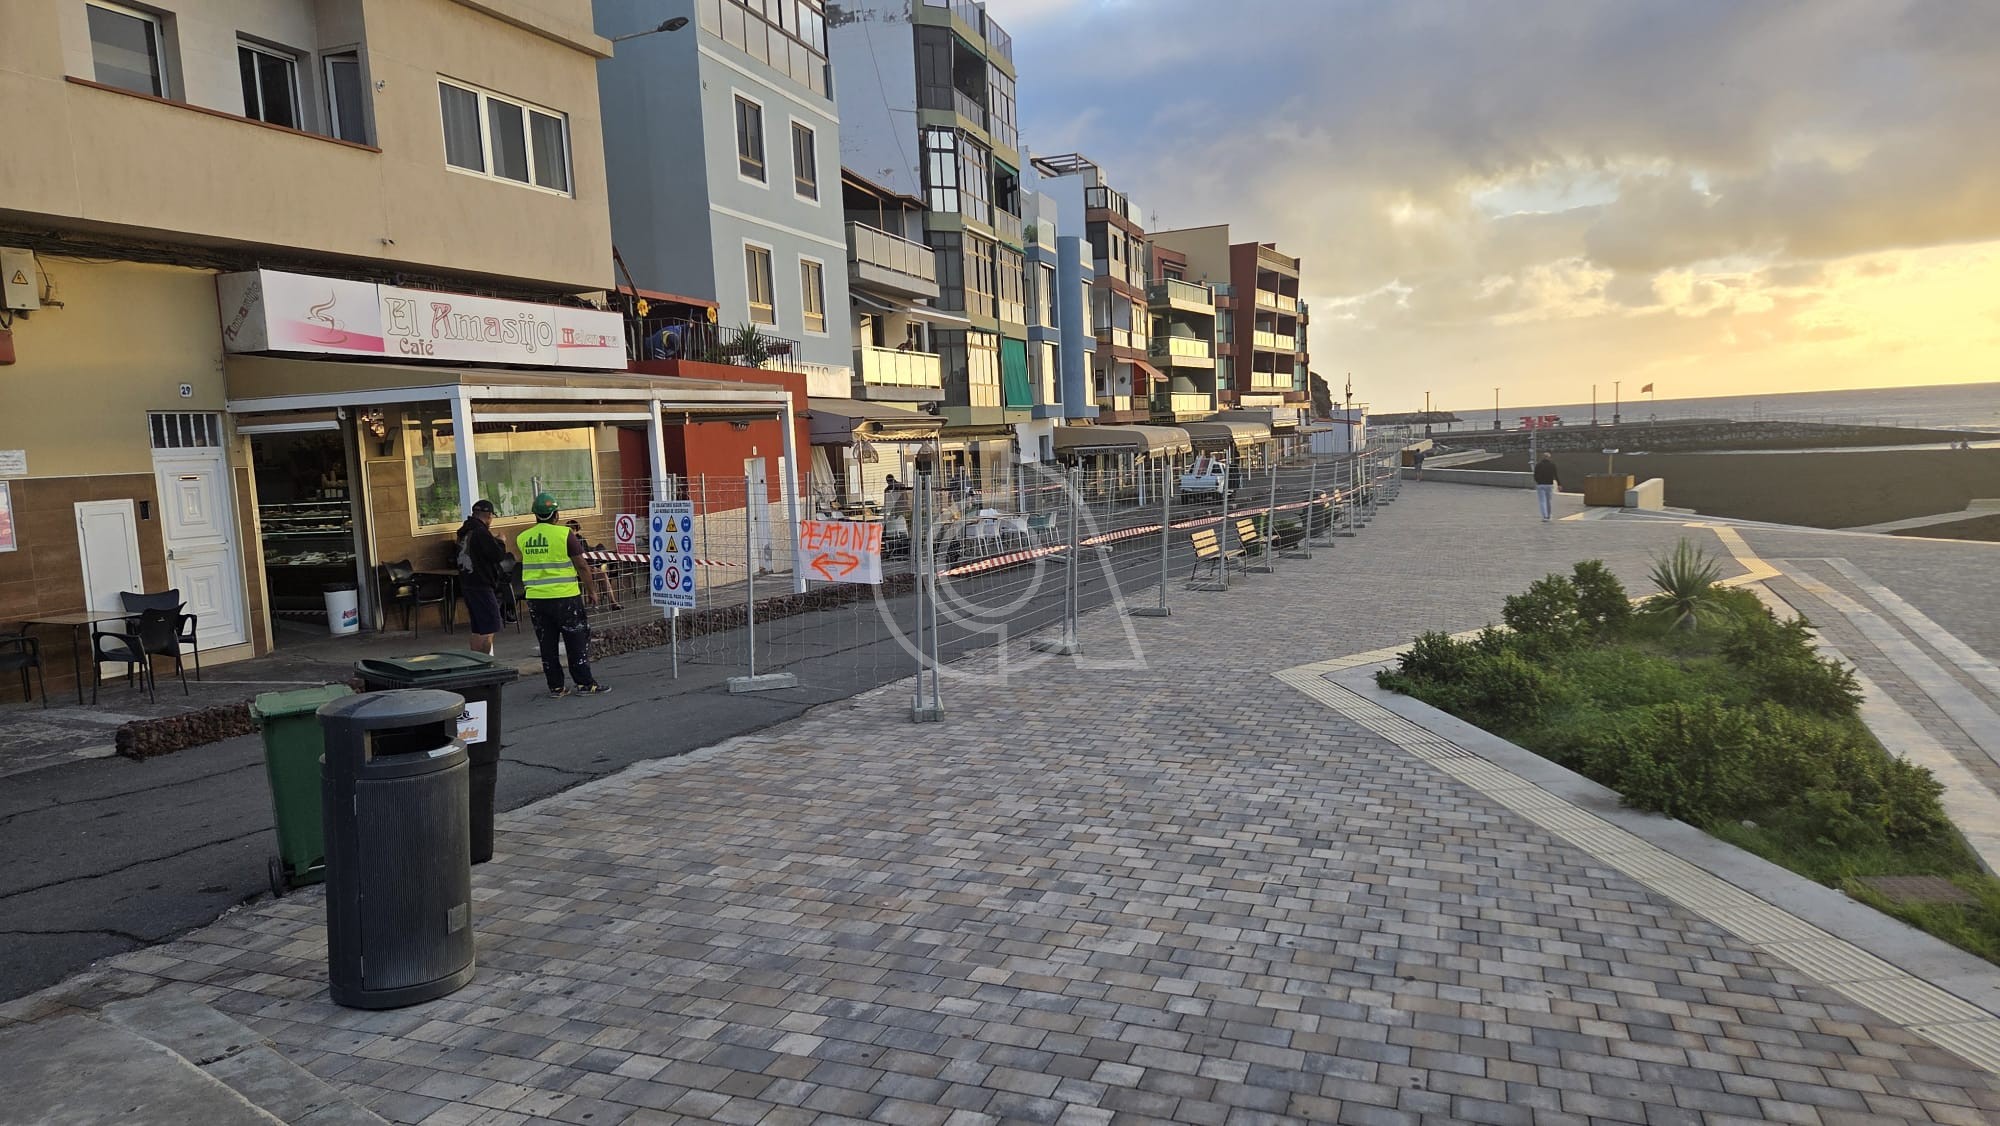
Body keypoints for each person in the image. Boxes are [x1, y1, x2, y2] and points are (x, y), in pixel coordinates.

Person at [517, 493, 609, 698]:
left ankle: (556, 687)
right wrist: (592, 590)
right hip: (565, 597)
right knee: (576, 641)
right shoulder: (565, 534)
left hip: (536, 599)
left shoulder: (523, 538)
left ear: (535, 514)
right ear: (556, 514)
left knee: (547, 644)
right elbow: (582, 565)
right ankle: (584, 684)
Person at [454, 500, 507, 656]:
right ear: (489, 516)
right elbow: (497, 555)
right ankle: (485, 662)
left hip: (467, 583)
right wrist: (501, 542)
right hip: (482, 584)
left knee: (478, 629)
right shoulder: (481, 532)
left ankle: (476, 662)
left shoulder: (464, 531)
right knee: (489, 627)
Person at [566, 519, 623, 610]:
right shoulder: (565, 540)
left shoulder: (582, 540)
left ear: (576, 530)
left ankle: (613, 602)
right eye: (568, 528)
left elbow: (587, 555)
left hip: (586, 567)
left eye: (572, 528)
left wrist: (590, 566)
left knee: (602, 574)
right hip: (572, 569)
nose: (570, 530)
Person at [1534, 452, 1561, 522]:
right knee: (1548, 501)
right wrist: (1559, 484)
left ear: (1543, 457)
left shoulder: (1538, 465)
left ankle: (1544, 516)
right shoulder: (1552, 465)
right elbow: (1556, 475)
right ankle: (1549, 515)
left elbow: (1535, 475)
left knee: (1542, 501)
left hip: (1540, 485)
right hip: (1549, 484)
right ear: (1549, 457)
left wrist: (1538, 481)